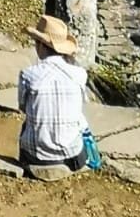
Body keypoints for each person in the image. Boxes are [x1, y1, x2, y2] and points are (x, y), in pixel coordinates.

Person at [17, 14, 89, 170]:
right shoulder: (80, 74)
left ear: (41, 46)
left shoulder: (28, 74)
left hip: (37, 157)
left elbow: (23, 107)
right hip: (73, 155)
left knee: (26, 125)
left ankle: (25, 163)